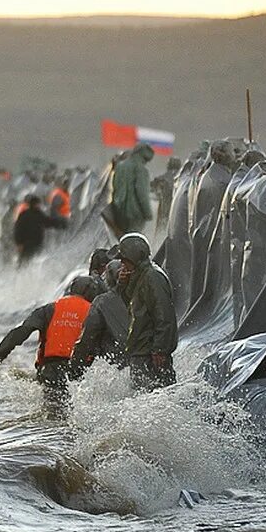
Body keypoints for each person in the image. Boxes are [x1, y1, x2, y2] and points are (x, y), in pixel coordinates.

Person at [0, 276, 99, 418]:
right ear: (91, 292)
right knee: (75, 410)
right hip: (80, 369)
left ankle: (51, 434)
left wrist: (2, 351)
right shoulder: (94, 311)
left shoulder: (49, 309)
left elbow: (23, 330)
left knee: (52, 410)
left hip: (51, 368)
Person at [117, 232, 178, 391]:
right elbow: (133, 307)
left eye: (124, 259)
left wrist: (160, 350)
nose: (122, 264)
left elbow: (164, 316)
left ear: (133, 257)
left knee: (158, 398)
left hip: (150, 355)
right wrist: (124, 284)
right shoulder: (141, 276)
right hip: (142, 352)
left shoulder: (153, 277)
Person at [70, 260, 131, 377]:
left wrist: (75, 369)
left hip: (117, 366)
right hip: (146, 357)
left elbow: (88, 338)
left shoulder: (101, 302)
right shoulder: (142, 294)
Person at [109, 143, 155, 238]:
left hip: (119, 210)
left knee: (122, 239)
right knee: (133, 240)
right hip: (135, 213)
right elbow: (142, 192)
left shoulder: (120, 167)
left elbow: (114, 187)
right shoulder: (141, 169)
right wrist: (147, 213)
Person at [11, 195, 65, 264]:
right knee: (26, 261)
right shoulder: (30, 215)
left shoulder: (28, 214)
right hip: (29, 243)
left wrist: (61, 224)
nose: (39, 206)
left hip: (34, 243)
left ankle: (24, 272)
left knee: (28, 261)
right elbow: (18, 228)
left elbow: (47, 222)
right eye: (38, 204)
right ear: (35, 204)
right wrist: (19, 243)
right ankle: (23, 273)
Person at [150, 156, 182, 235]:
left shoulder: (161, 178)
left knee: (161, 229)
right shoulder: (182, 178)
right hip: (177, 208)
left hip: (164, 207)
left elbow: (151, 189)